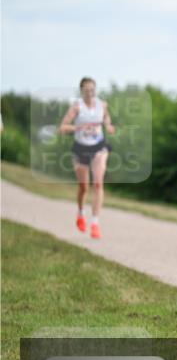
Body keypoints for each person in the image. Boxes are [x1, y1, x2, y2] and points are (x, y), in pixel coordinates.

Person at [59, 77, 114, 239]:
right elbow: (62, 127)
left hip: (98, 146)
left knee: (98, 183)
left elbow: (106, 118)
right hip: (81, 148)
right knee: (84, 187)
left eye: (92, 90)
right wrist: (78, 126)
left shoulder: (102, 105)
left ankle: (95, 223)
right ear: (81, 91)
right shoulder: (76, 107)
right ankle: (80, 213)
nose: (90, 93)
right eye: (86, 90)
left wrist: (109, 126)